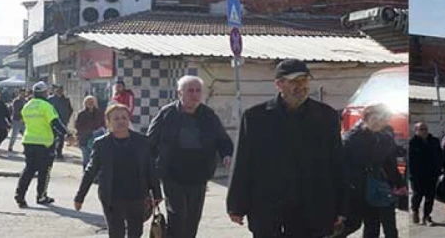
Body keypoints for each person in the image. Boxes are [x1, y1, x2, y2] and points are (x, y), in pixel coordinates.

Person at [227, 59, 347, 238]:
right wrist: (236, 205)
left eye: (304, 80)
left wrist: (342, 207)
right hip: (268, 207)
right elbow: (243, 162)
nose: (301, 86)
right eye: (294, 81)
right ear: (279, 84)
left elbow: (337, 163)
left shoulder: (325, 116)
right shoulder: (255, 118)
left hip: (312, 207)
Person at [148, 75, 234, 238]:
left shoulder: (208, 115)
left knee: (192, 221)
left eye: (198, 91)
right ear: (179, 93)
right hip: (172, 176)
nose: (194, 94)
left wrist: (226, 155)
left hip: (199, 177)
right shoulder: (166, 114)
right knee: (178, 218)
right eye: (190, 91)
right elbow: (150, 143)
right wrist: (148, 176)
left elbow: (223, 140)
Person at [74, 104, 163, 238]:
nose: (121, 121)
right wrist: (80, 197)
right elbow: (90, 171)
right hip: (112, 197)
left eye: (124, 118)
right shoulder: (101, 144)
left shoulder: (142, 142)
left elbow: (150, 168)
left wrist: (157, 193)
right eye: (116, 118)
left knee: (136, 233)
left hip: (137, 196)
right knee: (116, 233)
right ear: (108, 122)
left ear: (129, 120)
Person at [342, 104, 406, 238]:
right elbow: (339, 168)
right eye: (376, 117)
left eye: (384, 119)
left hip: (375, 188)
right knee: (352, 224)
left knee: (373, 224)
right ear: (366, 117)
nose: (380, 122)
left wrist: (399, 184)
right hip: (354, 190)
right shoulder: (350, 138)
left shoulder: (384, 137)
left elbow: (389, 164)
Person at [15, 81, 70, 207]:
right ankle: (41, 196)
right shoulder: (46, 106)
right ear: (45, 93)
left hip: (28, 141)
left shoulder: (27, 106)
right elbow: (55, 123)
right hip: (44, 143)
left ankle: (19, 196)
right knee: (44, 171)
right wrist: (67, 134)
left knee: (29, 170)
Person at [409, 122, 443, 226]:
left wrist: (442, 168)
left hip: (432, 174)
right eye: (421, 129)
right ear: (416, 131)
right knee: (417, 195)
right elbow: (409, 160)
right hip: (416, 175)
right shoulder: (412, 143)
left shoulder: (434, 141)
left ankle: (427, 216)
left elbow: (440, 155)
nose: (424, 131)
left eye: (425, 129)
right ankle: (415, 210)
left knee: (430, 196)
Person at [74, 95, 106, 171]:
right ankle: (86, 174)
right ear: (85, 103)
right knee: (86, 158)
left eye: (92, 102)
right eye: (88, 102)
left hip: (96, 139)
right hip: (84, 139)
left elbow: (104, 125)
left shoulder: (99, 113)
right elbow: (77, 126)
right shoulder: (81, 114)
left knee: (96, 158)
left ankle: (95, 176)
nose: (90, 104)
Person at [48, 85, 73, 159]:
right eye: (58, 90)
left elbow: (71, 110)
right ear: (55, 91)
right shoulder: (50, 99)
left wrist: (67, 118)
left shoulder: (66, 100)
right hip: (52, 121)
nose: (59, 92)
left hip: (63, 122)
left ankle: (59, 152)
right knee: (52, 137)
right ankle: (52, 151)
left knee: (61, 137)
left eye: (61, 90)